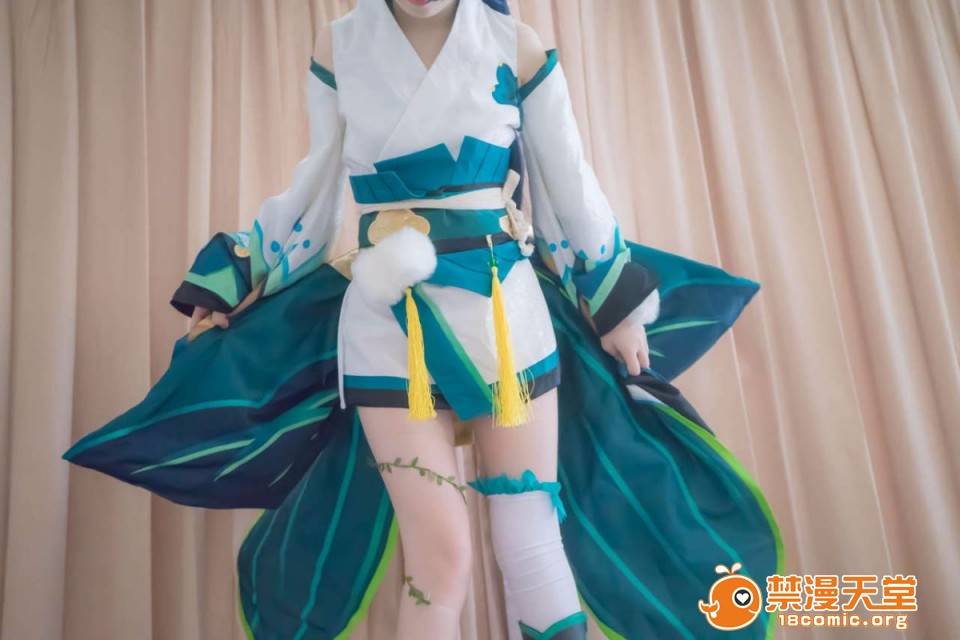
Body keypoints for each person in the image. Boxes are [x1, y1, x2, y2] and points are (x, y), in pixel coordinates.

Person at [63, 1, 784, 638]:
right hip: (386, 324)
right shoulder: (340, 44)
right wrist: (235, 276)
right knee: (441, 556)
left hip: (505, 315)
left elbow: (567, 181)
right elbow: (315, 191)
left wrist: (613, 298)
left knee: (530, 537)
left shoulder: (515, 43)